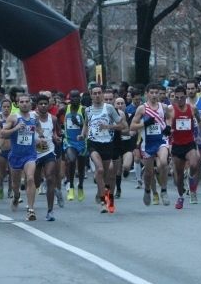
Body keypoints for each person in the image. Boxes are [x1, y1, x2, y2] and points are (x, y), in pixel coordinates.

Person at [81, 85, 124, 214]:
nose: (97, 95)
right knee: (99, 170)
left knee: (107, 175)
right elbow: (86, 124)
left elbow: (121, 125)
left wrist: (108, 126)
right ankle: (103, 201)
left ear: (102, 94)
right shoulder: (87, 110)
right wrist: (82, 135)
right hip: (93, 143)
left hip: (107, 143)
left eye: (99, 93)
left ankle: (108, 197)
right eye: (95, 93)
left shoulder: (109, 108)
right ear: (91, 95)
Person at [0, 94, 42, 222]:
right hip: (16, 156)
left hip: (30, 155)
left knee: (30, 178)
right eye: (21, 102)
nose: (24, 104)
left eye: (26, 102)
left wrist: (40, 138)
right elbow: (3, 133)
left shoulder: (35, 117)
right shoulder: (14, 118)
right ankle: (16, 195)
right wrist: (16, 128)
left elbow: (39, 130)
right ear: (17, 104)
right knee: (15, 184)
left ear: (30, 104)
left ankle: (30, 209)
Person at [131, 84, 171, 206]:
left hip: (161, 140)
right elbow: (132, 126)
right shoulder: (142, 109)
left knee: (163, 162)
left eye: (156, 92)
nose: (154, 95)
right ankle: (147, 190)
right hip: (147, 143)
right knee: (149, 173)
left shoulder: (164, 107)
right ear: (146, 94)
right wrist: (145, 124)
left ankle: (163, 190)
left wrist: (168, 127)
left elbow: (169, 118)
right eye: (152, 92)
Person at [169, 85, 201, 209]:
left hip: (189, 142)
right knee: (178, 174)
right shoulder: (171, 110)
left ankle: (191, 179)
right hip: (177, 144)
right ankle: (180, 197)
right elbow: (167, 124)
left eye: (182, 97)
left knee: (194, 163)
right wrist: (169, 130)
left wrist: (198, 134)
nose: (180, 100)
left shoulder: (192, 108)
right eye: (177, 98)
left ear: (186, 97)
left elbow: (199, 121)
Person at [62, 90, 87, 201]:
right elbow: (54, 119)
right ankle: (71, 186)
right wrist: (60, 130)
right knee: (71, 160)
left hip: (82, 142)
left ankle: (80, 186)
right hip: (69, 141)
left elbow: (88, 125)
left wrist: (78, 124)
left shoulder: (84, 110)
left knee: (81, 168)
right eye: (73, 97)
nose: (75, 99)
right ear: (69, 98)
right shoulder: (64, 109)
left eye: (77, 97)